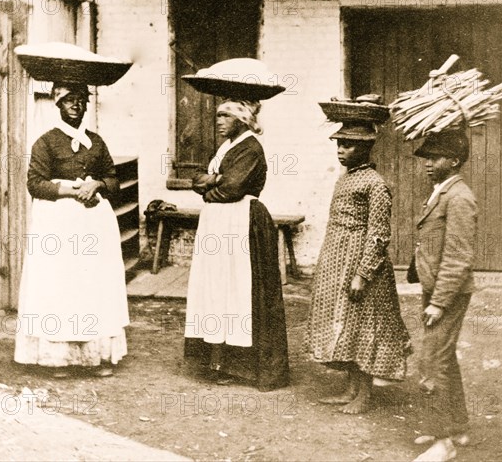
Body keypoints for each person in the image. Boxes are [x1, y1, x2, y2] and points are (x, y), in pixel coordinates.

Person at [14, 83, 129, 378]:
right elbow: (35, 183)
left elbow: (113, 180)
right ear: (58, 105)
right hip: (59, 224)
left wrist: (98, 184)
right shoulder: (46, 142)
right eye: (69, 101)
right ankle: (60, 357)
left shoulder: (97, 142)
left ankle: (97, 356)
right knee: (62, 285)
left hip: (93, 224)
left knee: (93, 284)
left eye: (81, 101)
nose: (76, 106)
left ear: (87, 106)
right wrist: (69, 189)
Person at [183, 99, 290, 391]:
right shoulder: (225, 148)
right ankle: (218, 359)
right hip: (218, 224)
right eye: (217, 115)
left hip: (242, 223)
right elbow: (196, 178)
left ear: (241, 120)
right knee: (218, 289)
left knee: (241, 289)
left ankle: (244, 364)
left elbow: (231, 189)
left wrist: (210, 186)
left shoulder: (250, 148)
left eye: (225, 116)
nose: (218, 121)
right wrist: (212, 179)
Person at [305, 120, 411, 414]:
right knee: (346, 325)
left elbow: (378, 234)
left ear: (365, 148)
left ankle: (364, 394)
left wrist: (363, 274)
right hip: (337, 261)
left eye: (348, 145)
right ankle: (350, 388)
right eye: (339, 144)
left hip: (360, 266)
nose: (341, 150)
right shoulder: (346, 178)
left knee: (364, 327)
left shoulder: (375, 184)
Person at [411, 128, 477, 462]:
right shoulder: (442, 190)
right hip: (435, 288)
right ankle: (459, 425)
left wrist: (439, 302)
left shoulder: (459, 197)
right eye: (426, 156)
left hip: (447, 293)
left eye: (435, 157)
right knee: (445, 358)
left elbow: (458, 257)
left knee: (431, 361)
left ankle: (443, 442)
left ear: (454, 160)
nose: (427, 163)